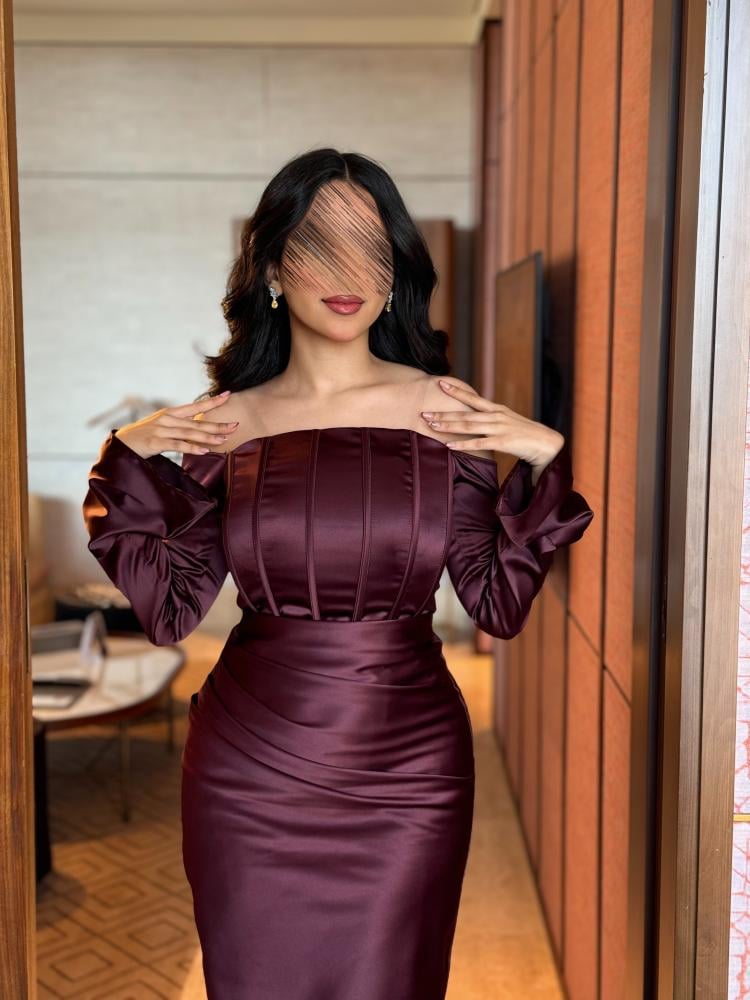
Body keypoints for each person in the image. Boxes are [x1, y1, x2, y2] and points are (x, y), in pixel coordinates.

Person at [82, 148, 594, 999]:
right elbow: (170, 607)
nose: (348, 272)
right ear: (272, 268)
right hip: (249, 772)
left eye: (371, 248)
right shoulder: (227, 425)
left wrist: (544, 457)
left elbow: (497, 601)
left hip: (408, 772)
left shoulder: (443, 412)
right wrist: (126, 453)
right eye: (319, 244)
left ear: (396, 275)